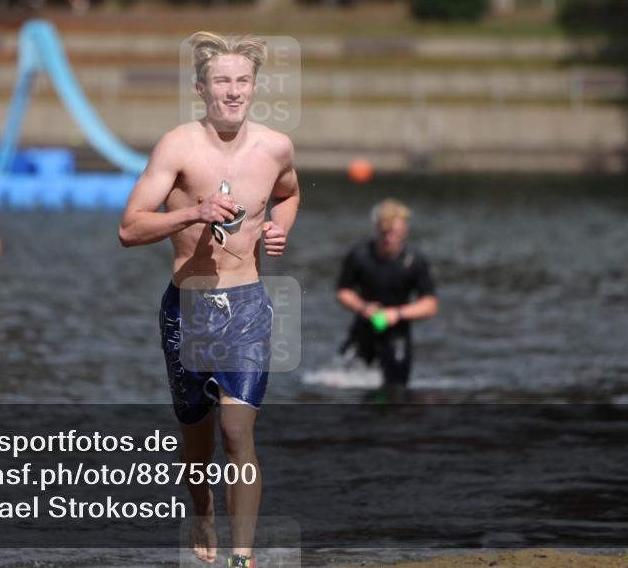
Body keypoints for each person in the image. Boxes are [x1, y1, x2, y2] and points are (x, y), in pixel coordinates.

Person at [119, 32, 300, 567]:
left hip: (246, 307)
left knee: (236, 430)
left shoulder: (275, 148)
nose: (234, 91)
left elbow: (289, 193)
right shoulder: (177, 146)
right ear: (202, 89)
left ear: (254, 88)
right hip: (188, 311)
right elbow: (129, 228)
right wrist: (192, 214)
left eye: (243, 81)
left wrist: (278, 228)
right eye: (223, 81)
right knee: (197, 448)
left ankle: (242, 558)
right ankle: (201, 507)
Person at [335, 199, 438, 390]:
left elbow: (430, 304)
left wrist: (397, 314)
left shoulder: (415, 260)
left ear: (404, 231)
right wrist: (363, 307)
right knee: (344, 383)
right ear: (377, 229)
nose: (389, 239)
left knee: (396, 388)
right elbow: (343, 291)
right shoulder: (360, 255)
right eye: (385, 233)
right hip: (365, 324)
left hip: (397, 331)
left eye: (395, 234)